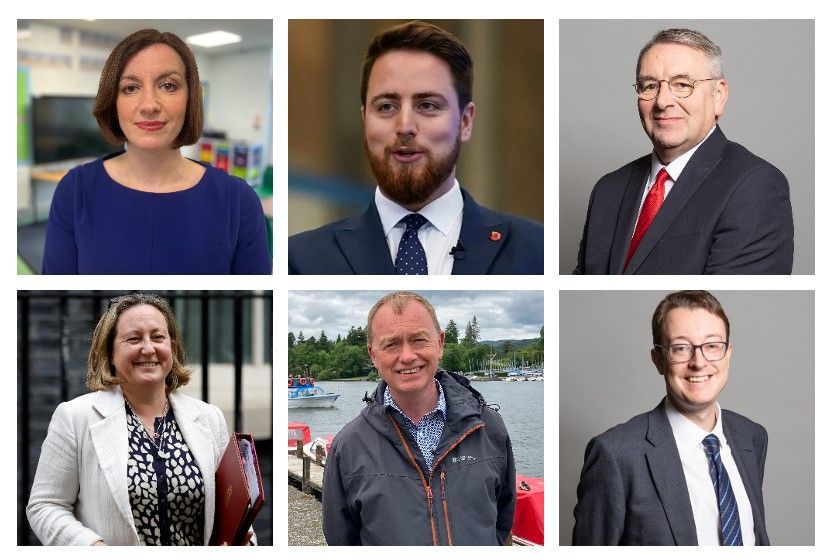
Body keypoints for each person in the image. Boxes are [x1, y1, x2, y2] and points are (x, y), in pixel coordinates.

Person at [288, 21, 543, 275]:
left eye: (428, 105)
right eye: (387, 106)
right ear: (365, 119)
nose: (405, 126)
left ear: (465, 122)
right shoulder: (300, 261)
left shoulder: (536, 251)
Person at [27, 294, 253, 545]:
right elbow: (45, 506)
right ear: (110, 352)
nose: (148, 348)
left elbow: (233, 508)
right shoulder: (75, 418)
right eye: (134, 339)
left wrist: (243, 542)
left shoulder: (209, 418)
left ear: (172, 347)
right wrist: (93, 548)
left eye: (158, 337)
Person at [42, 29, 271, 274]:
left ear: (190, 98)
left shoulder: (239, 201)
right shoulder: (75, 192)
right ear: (113, 100)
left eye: (168, 86)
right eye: (130, 88)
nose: (149, 105)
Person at [574, 28, 793, 274]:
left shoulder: (754, 187)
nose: (662, 101)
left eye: (682, 84)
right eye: (649, 86)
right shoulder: (608, 190)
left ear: (718, 95)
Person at [572, 291, 769, 545]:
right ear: (658, 360)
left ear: (728, 353)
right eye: (681, 348)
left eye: (712, 346)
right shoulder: (615, 454)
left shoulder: (751, 437)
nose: (699, 362)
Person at [322, 291, 516, 544]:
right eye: (391, 344)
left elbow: (501, 524)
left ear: (440, 343)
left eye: (418, 340)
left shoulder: (489, 428)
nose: (407, 356)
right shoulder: (348, 446)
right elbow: (341, 541)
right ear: (373, 355)